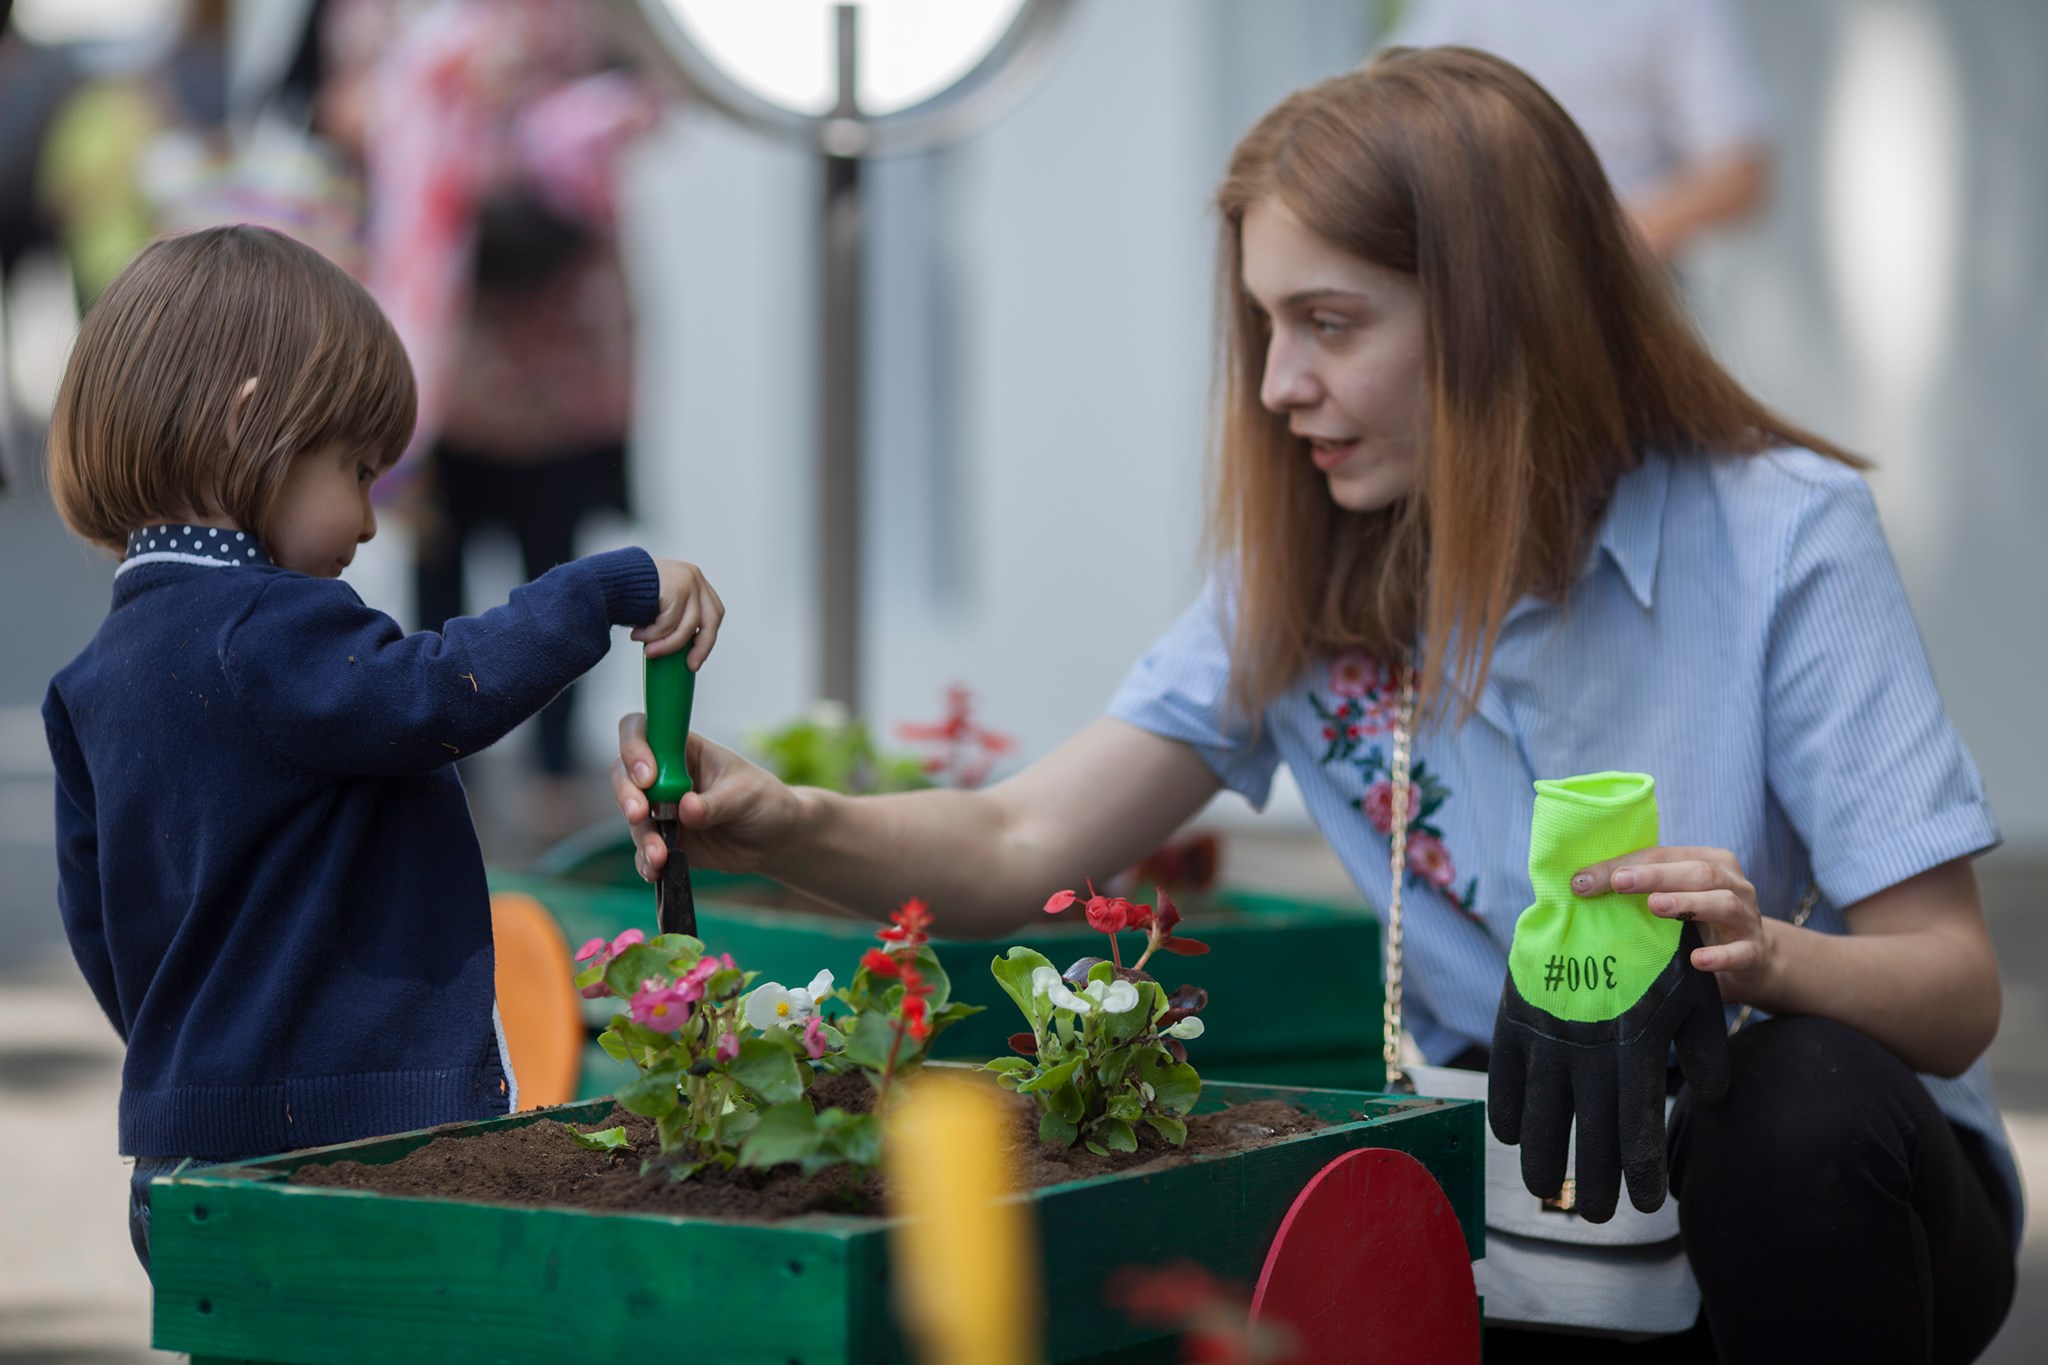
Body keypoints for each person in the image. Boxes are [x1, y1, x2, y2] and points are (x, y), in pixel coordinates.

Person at [610, 48, 2015, 1363]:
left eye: (1329, 324)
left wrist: (1758, 960)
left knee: (1795, 1109)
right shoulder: (1300, 577)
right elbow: (1014, 842)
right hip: (1535, 1200)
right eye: (1266, 325)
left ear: (1504, 318)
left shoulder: (1780, 532)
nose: (1281, 384)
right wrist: (781, 818)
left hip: (1820, 1205)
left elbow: (1951, 991)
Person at [40, 225, 723, 1273]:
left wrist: (197, 1059)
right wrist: (604, 589)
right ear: (245, 430)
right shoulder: (270, 627)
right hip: (338, 1143)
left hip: (179, 1155)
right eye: (357, 471)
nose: (367, 521)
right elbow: (434, 693)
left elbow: (100, 924)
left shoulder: (91, 677)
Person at [320, 0, 664, 835]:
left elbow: (652, 82)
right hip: (449, 348)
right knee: (444, 563)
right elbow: (340, 107)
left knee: (555, 556)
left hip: (556, 345)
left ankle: (549, 766)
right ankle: (447, 762)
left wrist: (554, 130)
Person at [1384, 0, 1771, 261]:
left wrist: (1591, 252)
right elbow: (1392, 109)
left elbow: (1739, 172)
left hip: (1621, 285)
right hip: (1481, 268)